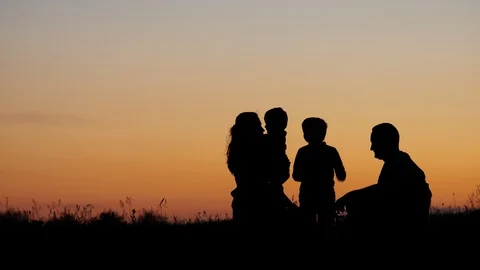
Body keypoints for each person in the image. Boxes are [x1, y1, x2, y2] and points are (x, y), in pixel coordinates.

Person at [336, 123, 432, 234]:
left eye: (374, 143)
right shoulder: (396, 163)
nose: (371, 148)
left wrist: (350, 197)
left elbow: (384, 191)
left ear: (386, 143)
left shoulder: (401, 165)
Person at [292, 117, 347, 233]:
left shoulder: (303, 152)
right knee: (326, 226)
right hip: (326, 194)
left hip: (308, 194)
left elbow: (296, 176)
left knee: (308, 227)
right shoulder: (331, 151)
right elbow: (342, 175)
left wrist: (308, 175)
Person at [226, 112, 270, 227]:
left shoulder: (237, 151)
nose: (262, 130)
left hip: (243, 203)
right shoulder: (249, 152)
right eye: (258, 126)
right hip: (254, 204)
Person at [262, 107, 298, 223]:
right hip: (271, 189)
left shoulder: (275, 139)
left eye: (268, 123)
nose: (265, 127)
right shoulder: (272, 140)